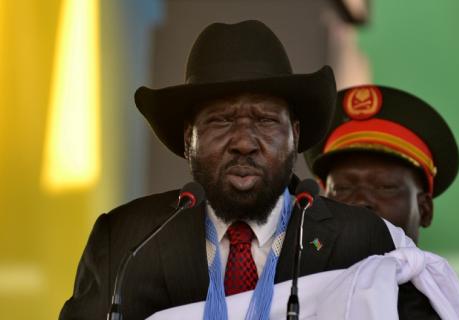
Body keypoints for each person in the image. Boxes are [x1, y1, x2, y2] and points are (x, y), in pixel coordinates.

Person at [60, 21, 439, 320]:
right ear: (189, 137)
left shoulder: (360, 237)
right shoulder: (127, 239)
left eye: (265, 120)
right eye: (222, 120)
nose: (244, 141)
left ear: (295, 134)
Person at [303, 84, 459, 316]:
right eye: (343, 188)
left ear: (424, 210)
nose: (360, 200)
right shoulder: (292, 304)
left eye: (385, 187)